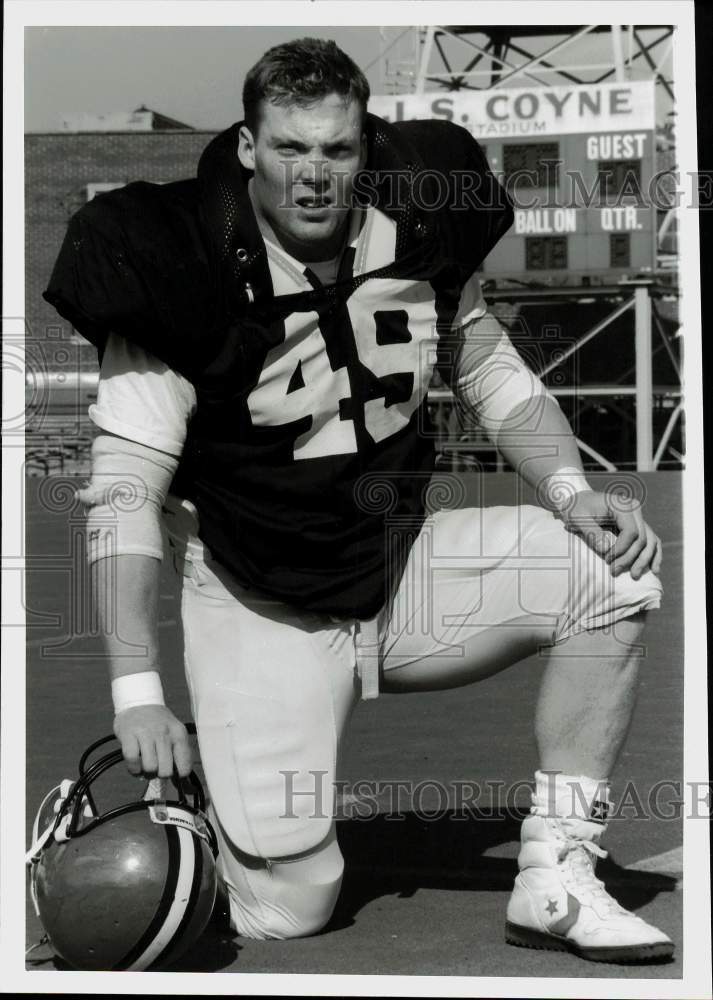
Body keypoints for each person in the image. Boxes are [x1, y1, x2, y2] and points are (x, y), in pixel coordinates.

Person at [44, 37, 673, 962]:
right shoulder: (175, 255)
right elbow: (126, 494)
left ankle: (555, 872)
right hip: (263, 599)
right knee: (292, 908)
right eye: (291, 149)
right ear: (248, 144)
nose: (313, 176)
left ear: (365, 147)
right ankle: (215, 801)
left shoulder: (414, 219)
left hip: (397, 565)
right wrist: (137, 693)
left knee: (605, 572)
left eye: (335, 151)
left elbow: (489, 365)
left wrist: (573, 490)